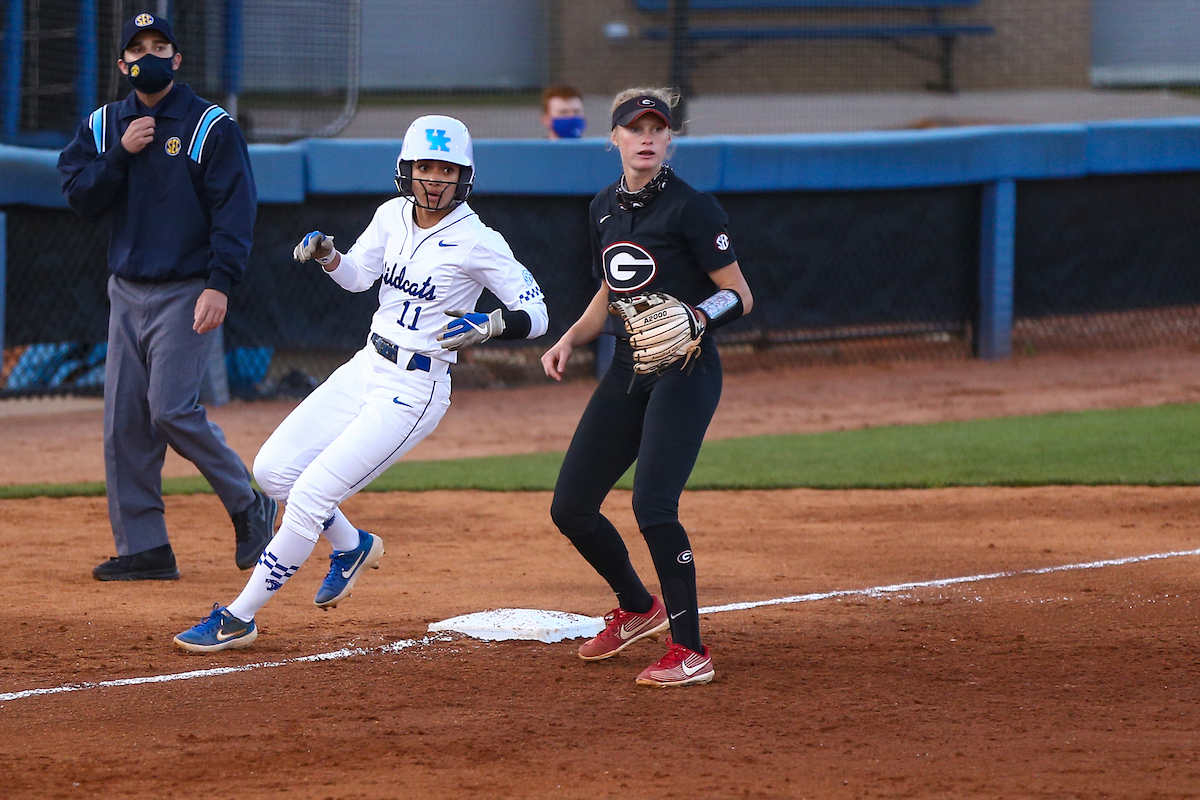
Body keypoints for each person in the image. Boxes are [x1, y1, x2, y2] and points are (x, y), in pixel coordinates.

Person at [173, 114, 549, 652]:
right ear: (406, 170)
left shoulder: (478, 241)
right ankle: (350, 546)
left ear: (464, 175)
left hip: (414, 390)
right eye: (425, 167)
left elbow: (536, 312)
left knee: (308, 494)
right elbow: (357, 279)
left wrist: (488, 324)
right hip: (367, 365)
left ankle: (240, 616)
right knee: (274, 470)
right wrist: (329, 257)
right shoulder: (391, 215)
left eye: (446, 169)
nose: (435, 180)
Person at [540, 87, 753, 687]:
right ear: (615, 138)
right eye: (635, 128)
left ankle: (691, 650)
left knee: (652, 504)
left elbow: (740, 293)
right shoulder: (602, 208)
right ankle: (639, 606)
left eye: (657, 127)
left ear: (669, 138)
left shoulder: (693, 208)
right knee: (572, 506)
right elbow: (611, 290)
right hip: (629, 367)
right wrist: (570, 338)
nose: (647, 137)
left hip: (687, 370)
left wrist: (698, 317)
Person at [57, 12, 276, 582]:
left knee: (171, 409)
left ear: (177, 60)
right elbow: (79, 196)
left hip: (187, 290)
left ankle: (248, 503)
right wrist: (120, 155)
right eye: (137, 48)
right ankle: (145, 548)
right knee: (124, 424)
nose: (148, 55)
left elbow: (236, 210)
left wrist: (219, 284)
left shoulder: (211, 125)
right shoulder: (106, 125)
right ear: (123, 62)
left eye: (160, 46)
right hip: (125, 290)